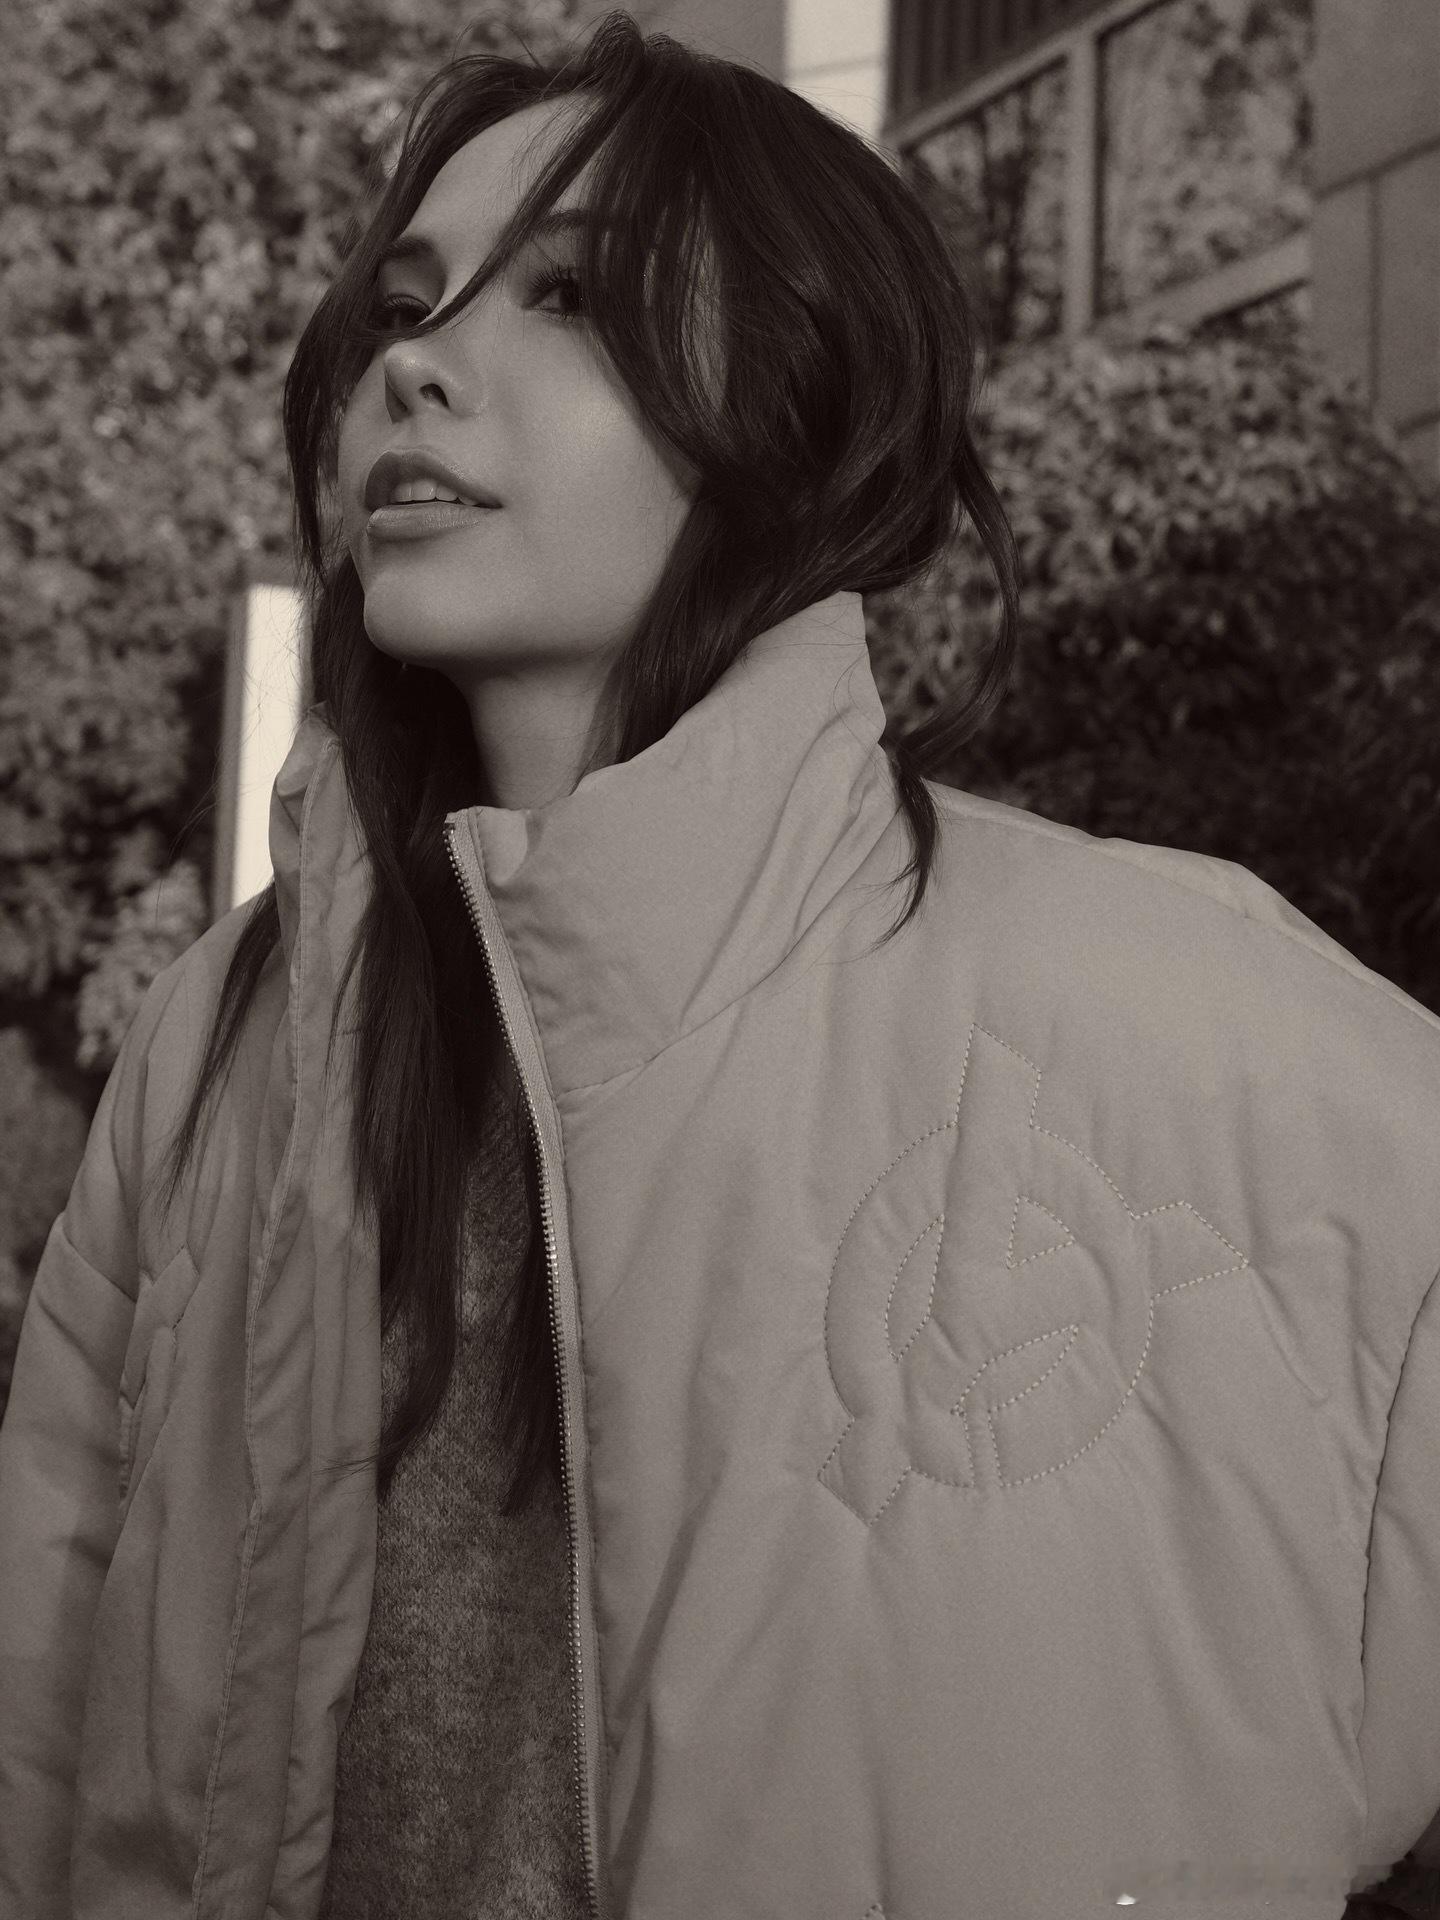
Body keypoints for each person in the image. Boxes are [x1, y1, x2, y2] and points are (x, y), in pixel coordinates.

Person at [1, 9, 1438, 1918]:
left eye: (572, 295)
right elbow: (46, 1716)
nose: (415, 361)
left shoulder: (1219, 1025)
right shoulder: (220, 1040)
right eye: (405, 305)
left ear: (796, 406)